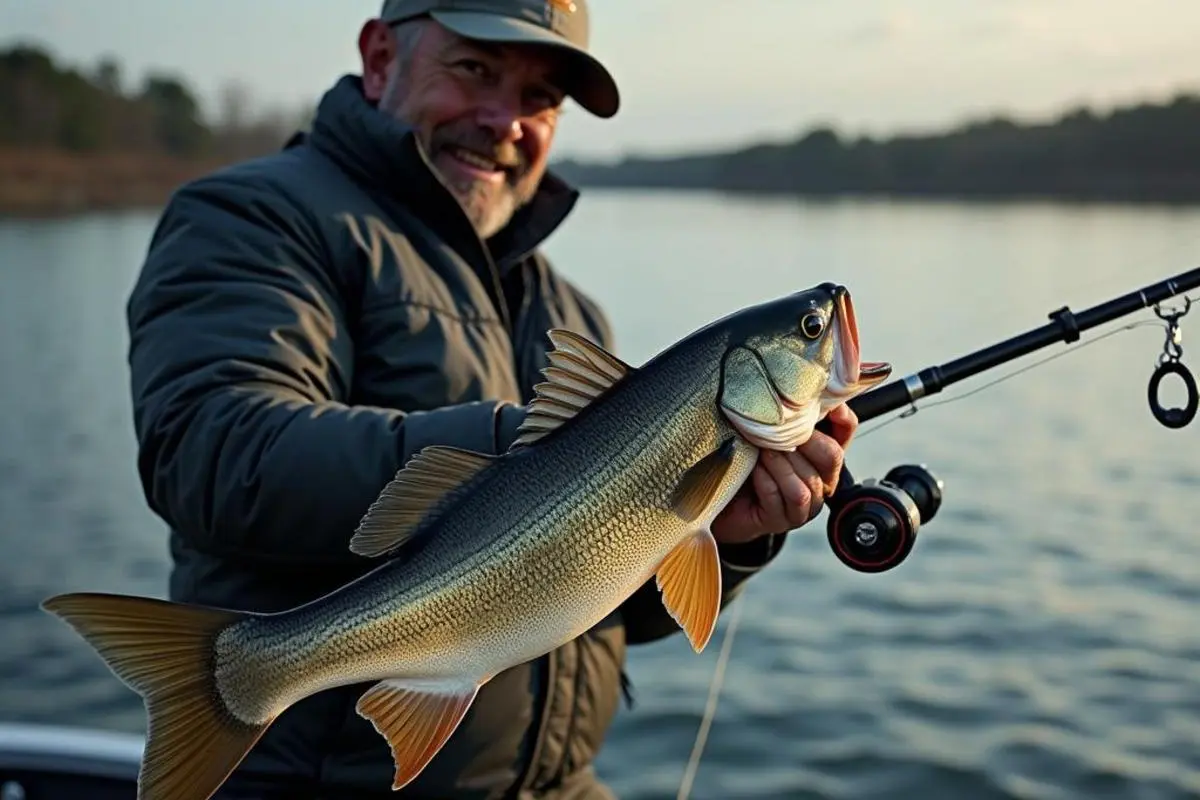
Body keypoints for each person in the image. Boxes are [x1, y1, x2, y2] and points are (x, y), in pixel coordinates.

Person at [124, 0, 860, 797]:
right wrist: (530, 458)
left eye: (542, 96)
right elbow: (215, 451)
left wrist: (727, 529)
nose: (505, 119)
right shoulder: (257, 218)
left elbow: (608, 609)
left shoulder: (572, 314)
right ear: (379, 59)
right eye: (474, 69)